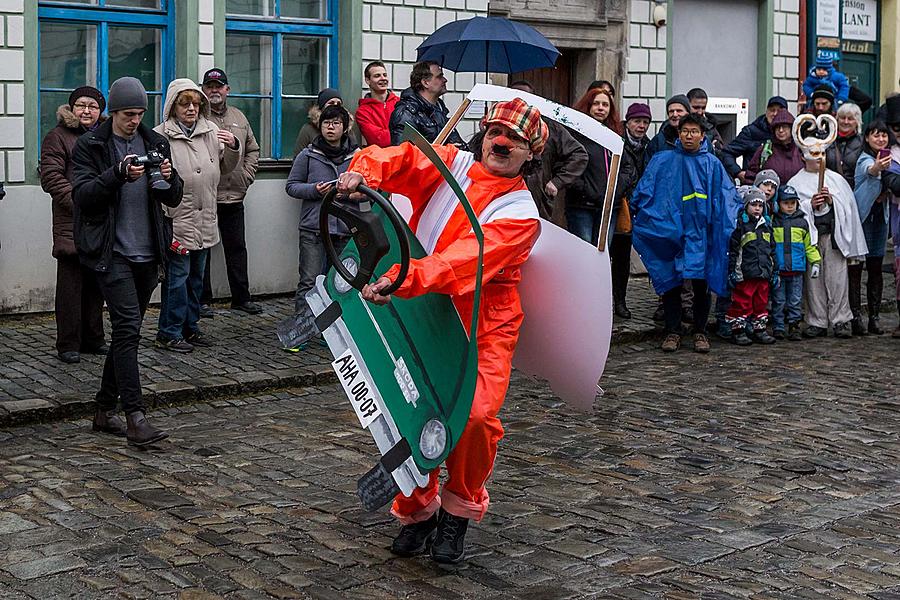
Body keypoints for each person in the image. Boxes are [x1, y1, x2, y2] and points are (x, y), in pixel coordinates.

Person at [336, 97, 546, 565]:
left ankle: (458, 511)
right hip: (419, 307)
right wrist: (364, 169)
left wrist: (405, 277)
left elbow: (464, 262)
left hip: (482, 328)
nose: (502, 142)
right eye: (496, 132)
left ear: (530, 153)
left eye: (515, 139)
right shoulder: (453, 161)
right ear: (485, 133)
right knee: (402, 406)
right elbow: (402, 158)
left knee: (473, 419)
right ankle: (418, 510)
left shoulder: (522, 215)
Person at [71, 76, 183, 446]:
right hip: (111, 252)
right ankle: (136, 416)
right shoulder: (92, 145)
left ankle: (104, 411)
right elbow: (83, 195)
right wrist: (116, 175)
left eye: (138, 114)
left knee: (125, 332)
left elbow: (173, 198)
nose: (134, 121)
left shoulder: (155, 142)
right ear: (112, 113)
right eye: (127, 115)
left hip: (149, 252)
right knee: (130, 326)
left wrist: (170, 177)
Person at [631, 113, 742, 353]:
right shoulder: (663, 160)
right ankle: (673, 330)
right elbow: (646, 191)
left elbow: (725, 196)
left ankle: (700, 331)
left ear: (703, 135)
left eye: (694, 131)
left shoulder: (712, 164)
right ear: (678, 134)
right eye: (684, 131)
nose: (688, 135)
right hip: (671, 232)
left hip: (702, 234)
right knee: (672, 281)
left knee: (701, 283)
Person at [154, 79, 241, 353]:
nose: (191, 108)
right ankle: (169, 332)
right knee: (176, 280)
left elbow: (225, 167)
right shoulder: (160, 136)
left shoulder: (211, 131)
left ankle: (191, 328)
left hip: (206, 219)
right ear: (172, 107)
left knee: (196, 280)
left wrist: (235, 145)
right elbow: (155, 183)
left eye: (195, 103)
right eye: (184, 103)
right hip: (177, 219)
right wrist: (165, 220)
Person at [40, 86, 108, 364]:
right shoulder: (58, 136)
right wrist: (82, 202)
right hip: (72, 220)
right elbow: (52, 177)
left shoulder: (105, 136)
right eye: (81, 105)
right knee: (70, 286)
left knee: (96, 285)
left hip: (101, 222)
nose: (86, 111)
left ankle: (94, 338)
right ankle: (68, 343)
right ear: (71, 108)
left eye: (92, 106)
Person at [285, 104, 359, 324]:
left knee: (340, 282)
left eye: (336, 123)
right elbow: (292, 186)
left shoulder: (357, 157)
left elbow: (370, 190)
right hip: (314, 228)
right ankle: (302, 328)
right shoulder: (308, 155)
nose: (330, 127)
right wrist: (314, 190)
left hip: (345, 229)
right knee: (309, 281)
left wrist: (350, 195)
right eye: (326, 123)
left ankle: (336, 329)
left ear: (345, 128)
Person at [786, 143, 868, 338]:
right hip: (811, 239)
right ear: (804, 157)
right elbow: (790, 209)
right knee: (813, 281)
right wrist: (809, 205)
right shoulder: (795, 182)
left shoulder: (836, 180)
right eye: (815, 154)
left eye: (823, 153)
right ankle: (817, 320)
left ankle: (841, 319)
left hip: (833, 237)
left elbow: (847, 206)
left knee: (837, 279)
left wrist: (832, 201)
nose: (820, 158)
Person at [199, 68, 262, 316]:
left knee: (237, 248)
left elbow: (253, 149)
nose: (214, 90)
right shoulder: (199, 118)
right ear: (203, 89)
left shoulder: (239, 116)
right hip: (207, 196)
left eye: (219, 86)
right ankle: (202, 300)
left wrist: (246, 176)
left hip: (235, 195)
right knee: (202, 248)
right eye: (210, 86)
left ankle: (241, 298)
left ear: (227, 89)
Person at [509, 80, 587, 224]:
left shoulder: (549, 127)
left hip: (538, 199)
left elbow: (579, 154)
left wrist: (557, 182)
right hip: (506, 196)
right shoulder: (498, 127)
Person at [853, 120, 899, 335]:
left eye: (883, 135)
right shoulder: (864, 158)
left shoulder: (892, 159)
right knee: (855, 269)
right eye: (875, 135)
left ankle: (874, 316)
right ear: (867, 138)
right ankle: (855, 316)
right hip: (862, 220)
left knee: (875, 269)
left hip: (880, 220)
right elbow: (869, 170)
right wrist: (878, 168)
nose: (880, 139)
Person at [566, 87, 623, 246]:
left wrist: (615, 190)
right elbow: (568, 165)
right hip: (582, 205)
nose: (600, 108)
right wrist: (587, 190)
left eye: (605, 105)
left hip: (609, 206)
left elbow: (626, 168)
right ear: (588, 106)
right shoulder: (575, 134)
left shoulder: (616, 135)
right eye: (596, 104)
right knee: (583, 252)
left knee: (603, 253)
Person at [613, 102, 653, 319]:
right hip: (615, 203)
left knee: (622, 257)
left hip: (634, 207)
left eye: (645, 122)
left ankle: (620, 300)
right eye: (637, 121)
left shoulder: (648, 146)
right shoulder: (616, 141)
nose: (641, 126)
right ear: (628, 122)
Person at [725, 188, 776, 345]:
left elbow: (772, 251)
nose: (757, 209)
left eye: (760, 206)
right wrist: (733, 271)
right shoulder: (741, 227)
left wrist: (775, 271)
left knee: (761, 303)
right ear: (746, 206)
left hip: (763, 274)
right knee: (742, 302)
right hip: (746, 274)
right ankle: (738, 330)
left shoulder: (767, 227)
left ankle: (759, 329)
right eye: (754, 205)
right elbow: (734, 252)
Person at [771, 185, 821, 341]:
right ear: (778, 203)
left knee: (795, 300)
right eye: (786, 203)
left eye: (793, 202)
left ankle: (794, 326)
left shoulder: (802, 223)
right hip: (779, 269)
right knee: (778, 300)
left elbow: (809, 245)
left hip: (797, 270)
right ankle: (778, 326)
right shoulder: (773, 222)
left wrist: (815, 262)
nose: (790, 206)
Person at [388, 60, 464, 147]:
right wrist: (445, 151)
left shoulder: (439, 111)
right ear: (425, 83)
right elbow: (404, 154)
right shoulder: (406, 113)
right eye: (439, 76)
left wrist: (482, 134)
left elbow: (459, 146)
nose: (445, 80)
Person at [721, 96, 788, 181]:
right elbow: (727, 153)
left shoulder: (791, 135)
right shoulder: (751, 132)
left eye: (779, 111)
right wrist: (738, 172)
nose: (775, 114)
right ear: (766, 111)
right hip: (754, 186)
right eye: (772, 110)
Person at [743, 109, 804, 186]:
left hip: (797, 196)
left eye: (784, 127)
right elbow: (751, 176)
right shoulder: (765, 149)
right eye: (777, 127)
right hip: (769, 196)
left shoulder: (801, 150)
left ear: (792, 129)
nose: (781, 130)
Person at [294, 88, 362, 154]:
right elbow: (298, 157)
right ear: (322, 106)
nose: (335, 106)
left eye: (338, 104)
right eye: (331, 103)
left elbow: (355, 154)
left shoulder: (346, 128)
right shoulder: (308, 129)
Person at [355, 61, 400, 148]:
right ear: (368, 80)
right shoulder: (362, 112)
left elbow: (411, 134)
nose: (383, 78)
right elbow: (379, 141)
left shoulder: (399, 103)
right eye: (377, 76)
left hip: (404, 157)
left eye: (385, 75)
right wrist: (398, 133)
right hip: (380, 159)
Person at [645, 95, 690, 160]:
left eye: (679, 111)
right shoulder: (658, 141)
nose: (675, 114)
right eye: (671, 111)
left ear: (688, 114)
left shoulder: (700, 139)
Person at [834, 102, 865, 189]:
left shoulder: (863, 143)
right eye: (842, 118)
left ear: (857, 121)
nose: (846, 122)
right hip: (830, 189)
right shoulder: (828, 139)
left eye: (850, 119)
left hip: (853, 191)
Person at [686, 87, 724, 153]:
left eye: (703, 108)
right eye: (696, 107)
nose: (700, 112)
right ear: (687, 105)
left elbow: (721, 151)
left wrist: (715, 149)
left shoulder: (710, 127)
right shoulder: (674, 125)